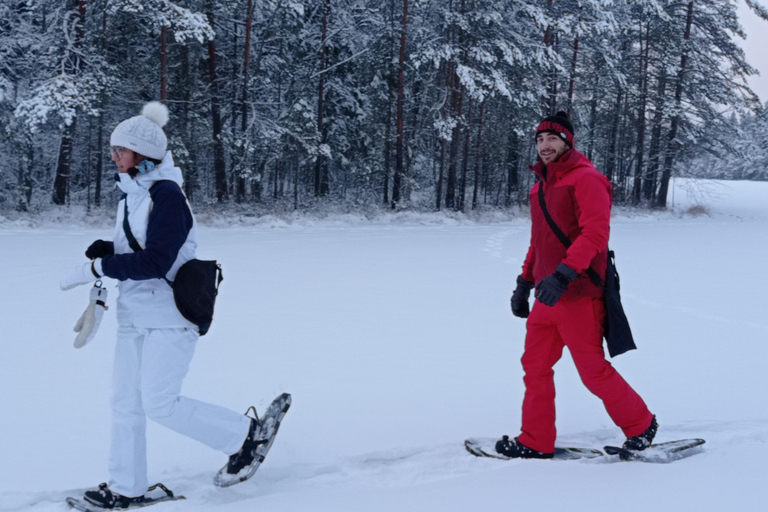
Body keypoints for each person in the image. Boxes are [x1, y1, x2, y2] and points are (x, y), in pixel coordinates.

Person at [60, 102, 277, 508]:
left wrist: (97, 266)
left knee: (159, 403)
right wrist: (109, 249)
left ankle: (245, 436)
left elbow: (158, 261)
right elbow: (143, 248)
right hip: (134, 314)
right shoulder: (132, 196)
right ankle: (127, 488)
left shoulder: (167, 195)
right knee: (125, 403)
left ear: (143, 154)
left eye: (120, 150)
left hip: (169, 316)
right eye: (113, 149)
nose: (114, 157)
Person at [498, 111, 657, 459]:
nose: (544, 145)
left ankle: (641, 424)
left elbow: (596, 234)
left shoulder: (587, 179)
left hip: (578, 294)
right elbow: (538, 241)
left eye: (552, 138)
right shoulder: (540, 187)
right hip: (546, 296)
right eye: (539, 139)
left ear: (567, 141)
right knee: (535, 367)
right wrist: (524, 282)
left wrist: (564, 274)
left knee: (592, 371)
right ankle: (535, 440)